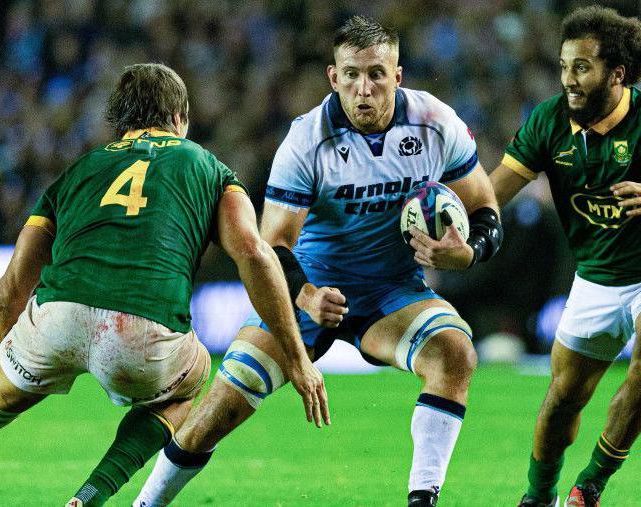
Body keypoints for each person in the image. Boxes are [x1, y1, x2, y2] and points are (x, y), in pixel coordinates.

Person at [0, 63, 327, 507]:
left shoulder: (76, 172)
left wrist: (9, 360)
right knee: (188, 386)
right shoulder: (210, 169)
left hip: (55, 317)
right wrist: (296, 356)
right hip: (143, 332)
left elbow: (13, 284)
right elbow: (253, 252)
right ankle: (89, 496)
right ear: (180, 118)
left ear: (118, 121)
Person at [133, 16, 502, 507]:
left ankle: (422, 500)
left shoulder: (436, 123)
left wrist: (468, 251)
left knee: (455, 354)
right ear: (334, 77)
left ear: (398, 75)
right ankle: (146, 503)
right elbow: (272, 245)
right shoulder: (307, 140)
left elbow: (485, 207)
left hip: (391, 292)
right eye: (351, 75)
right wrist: (307, 295)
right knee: (216, 415)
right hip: (304, 292)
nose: (363, 89)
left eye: (375, 74)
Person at [488, 7, 641, 507]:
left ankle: (590, 485)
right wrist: (459, 228)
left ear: (616, 74)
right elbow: (493, 192)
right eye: (563, 66)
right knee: (562, 400)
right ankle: (538, 498)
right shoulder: (549, 121)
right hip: (597, 277)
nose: (569, 80)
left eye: (582, 67)